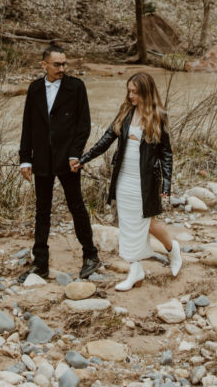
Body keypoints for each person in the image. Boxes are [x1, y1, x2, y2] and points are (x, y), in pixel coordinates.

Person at [73, 72, 182, 290]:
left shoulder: (158, 116)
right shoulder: (125, 112)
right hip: (123, 177)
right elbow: (106, 139)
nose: (131, 95)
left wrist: (166, 186)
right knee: (128, 223)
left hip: (145, 180)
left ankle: (173, 249)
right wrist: (83, 159)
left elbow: (166, 154)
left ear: (146, 93)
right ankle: (135, 270)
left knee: (148, 223)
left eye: (136, 92)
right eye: (129, 91)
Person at [18, 46, 100, 281]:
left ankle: (91, 256)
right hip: (41, 159)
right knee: (42, 211)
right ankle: (40, 263)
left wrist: (77, 155)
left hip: (69, 159)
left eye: (65, 64)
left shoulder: (76, 87)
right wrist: (25, 158)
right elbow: (28, 125)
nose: (62, 68)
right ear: (44, 65)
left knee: (77, 207)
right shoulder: (34, 89)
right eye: (57, 64)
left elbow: (84, 125)